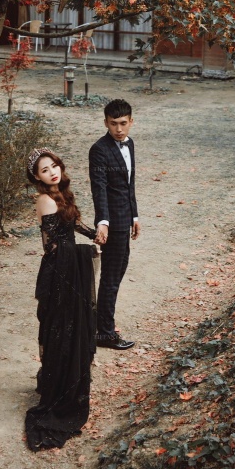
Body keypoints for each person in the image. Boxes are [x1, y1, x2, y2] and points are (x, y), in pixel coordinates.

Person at [25, 148, 98, 452]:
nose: (52, 172)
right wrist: (85, 251)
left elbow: (73, 224)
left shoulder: (62, 193)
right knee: (60, 328)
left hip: (70, 269)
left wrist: (94, 234)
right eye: (44, 170)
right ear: (36, 177)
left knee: (72, 326)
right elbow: (51, 246)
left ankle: (65, 380)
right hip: (59, 272)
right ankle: (57, 389)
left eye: (54, 165)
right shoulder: (45, 200)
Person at [89, 99, 141, 351]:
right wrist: (103, 222)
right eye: (113, 124)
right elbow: (98, 188)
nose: (118, 129)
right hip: (112, 223)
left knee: (118, 272)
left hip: (125, 218)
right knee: (111, 277)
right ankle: (105, 333)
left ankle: (101, 325)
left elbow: (129, 185)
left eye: (123, 123)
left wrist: (135, 217)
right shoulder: (99, 150)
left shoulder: (130, 144)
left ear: (131, 121)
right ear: (105, 123)